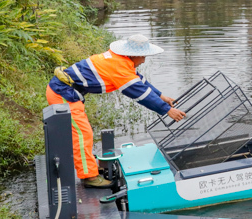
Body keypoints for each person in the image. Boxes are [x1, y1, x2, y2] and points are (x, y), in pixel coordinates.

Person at [45, 34, 186, 188]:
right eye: (143, 56)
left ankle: (88, 166)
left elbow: (140, 80)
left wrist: (162, 96)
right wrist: (167, 110)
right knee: (82, 134)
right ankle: (89, 177)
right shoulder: (119, 67)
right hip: (63, 94)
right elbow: (140, 93)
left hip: (65, 92)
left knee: (81, 133)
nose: (144, 60)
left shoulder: (120, 60)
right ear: (134, 55)